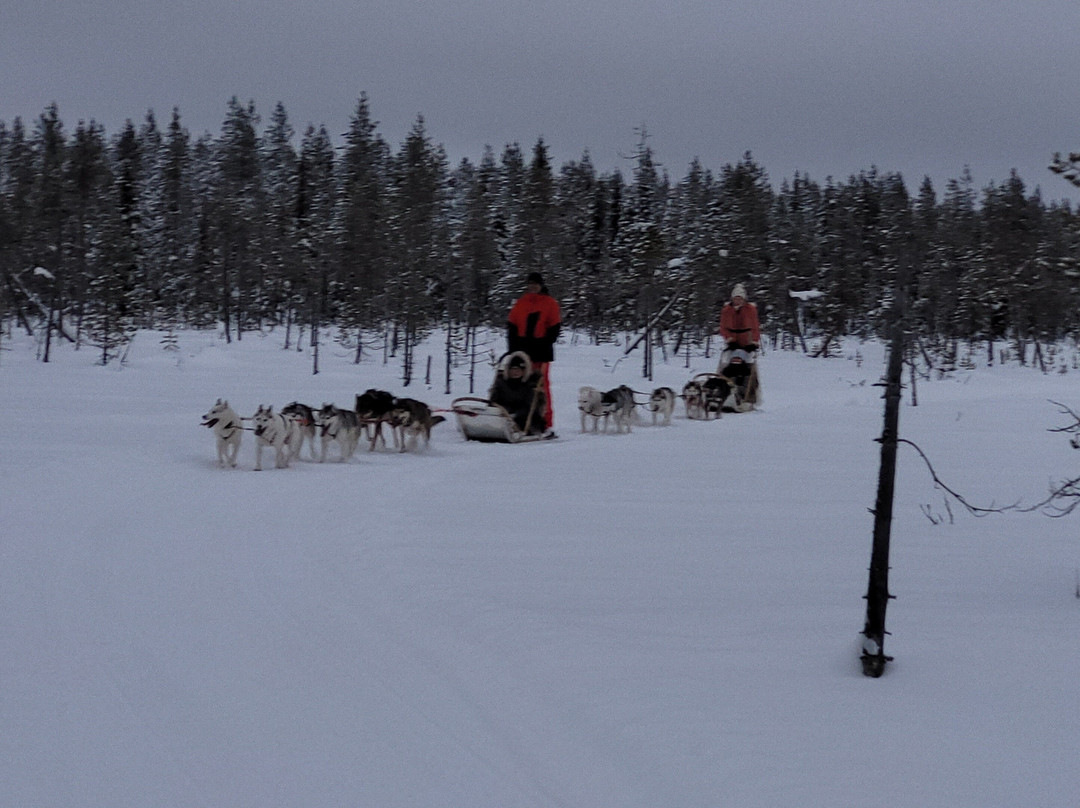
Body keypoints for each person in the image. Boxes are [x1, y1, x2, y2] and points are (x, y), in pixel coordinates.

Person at [507, 272, 561, 435]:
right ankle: (519, 418)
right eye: (530, 283)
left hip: (540, 352)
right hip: (522, 352)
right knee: (519, 386)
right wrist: (513, 349)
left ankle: (545, 421)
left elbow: (554, 328)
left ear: (541, 285)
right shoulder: (521, 303)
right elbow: (512, 326)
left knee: (541, 387)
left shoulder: (550, 303)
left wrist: (544, 344)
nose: (532, 286)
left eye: (535, 284)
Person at [488, 351, 545, 434]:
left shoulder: (530, 384)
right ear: (508, 370)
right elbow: (493, 401)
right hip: (503, 414)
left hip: (523, 417)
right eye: (513, 369)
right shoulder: (501, 383)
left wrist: (514, 413)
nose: (515, 372)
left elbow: (531, 406)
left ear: (524, 370)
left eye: (518, 369)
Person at [717, 283, 761, 354]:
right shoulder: (727, 310)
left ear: (744, 299)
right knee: (725, 362)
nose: (738, 301)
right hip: (732, 343)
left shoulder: (750, 309)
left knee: (750, 362)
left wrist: (754, 341)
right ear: (732, 299)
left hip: (748, 343)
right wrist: (729, 339)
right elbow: (723, 328)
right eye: (736, 299)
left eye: (740, 299)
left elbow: (755, 327)